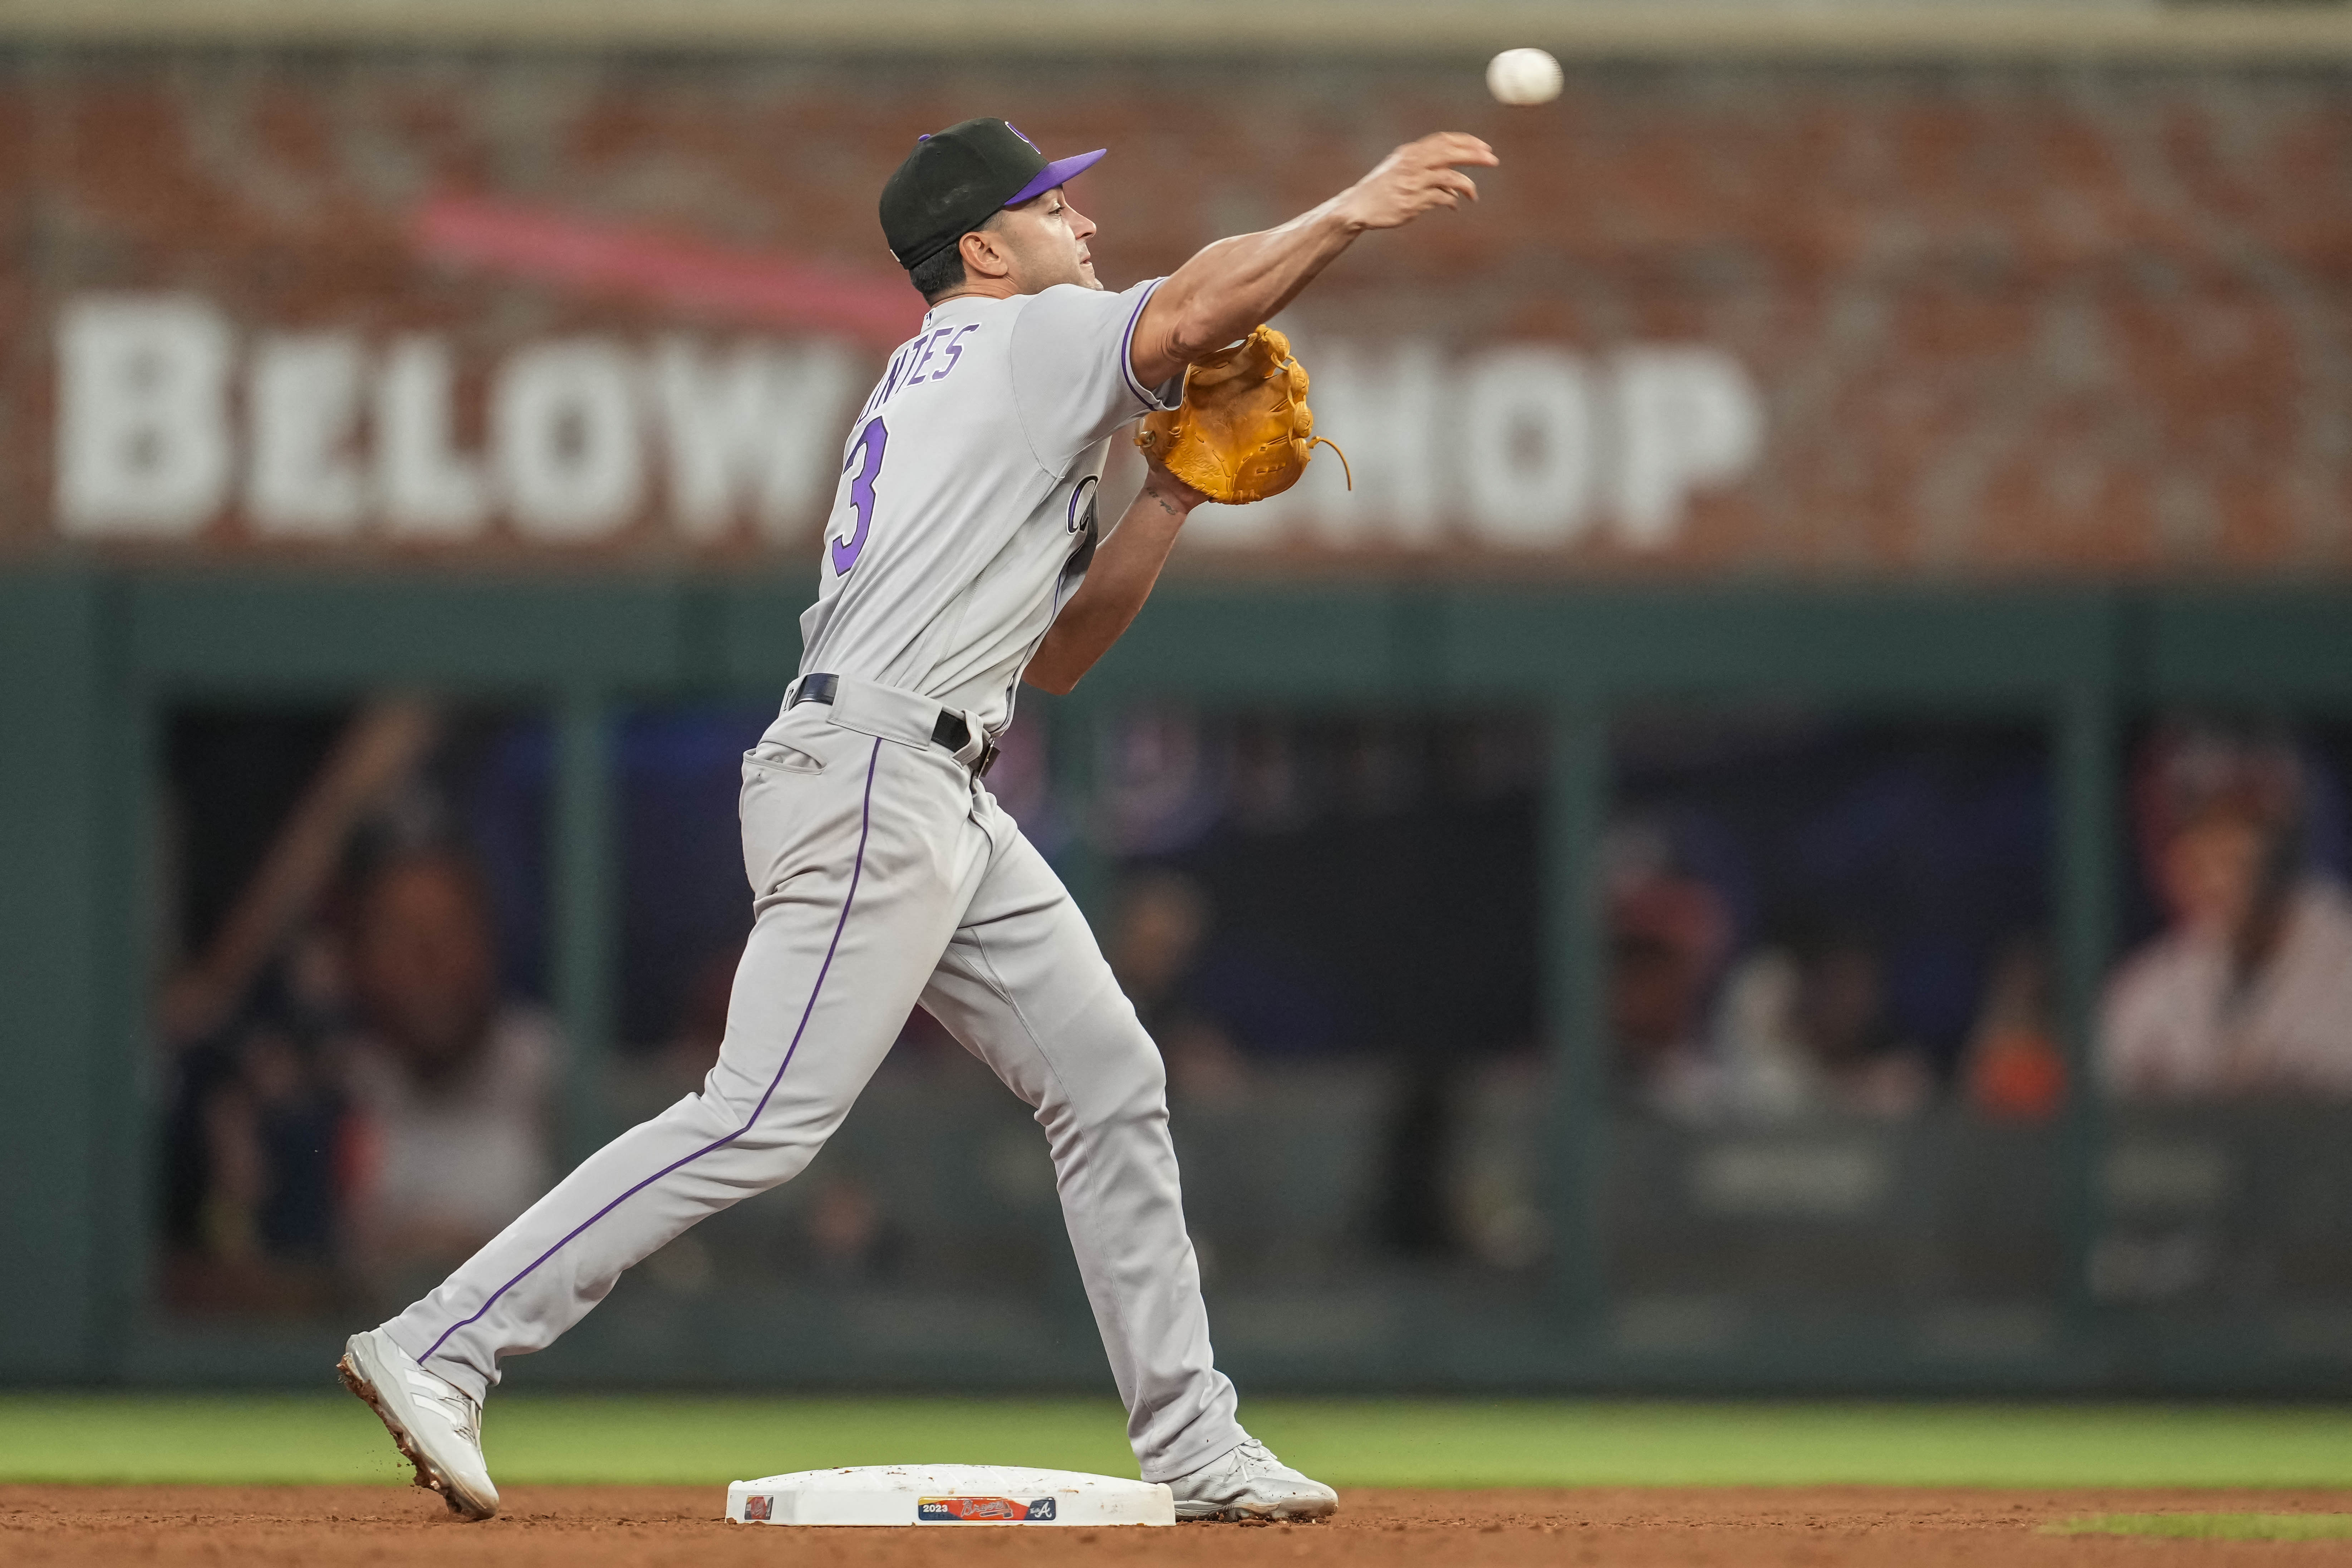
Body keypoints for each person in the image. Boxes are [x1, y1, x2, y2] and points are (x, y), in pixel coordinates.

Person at [337, 116, 1496, 1523]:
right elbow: (1205, 302)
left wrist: (1173, 494)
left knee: (1110, 1078)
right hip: (877, 770)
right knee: (761, 1113)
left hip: (932, 778)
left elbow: (1054, 660)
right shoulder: (1021, 338)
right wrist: (1353, 209)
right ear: (981, 249)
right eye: (1053, 209)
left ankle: (1195, 1444)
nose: (1082, 226)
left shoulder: (977, 378)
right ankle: (443, 1340)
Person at [337, 846, 563, 1288]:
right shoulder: (333, 1087)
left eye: (450, 932)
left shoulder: (555, 1078)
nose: (428, 959)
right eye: (400, 935)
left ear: (490, 944)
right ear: (358, 956)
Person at [2102, 722, 2352, 1099]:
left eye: (2240, 828)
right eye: (2199, 832)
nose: (2216, 862)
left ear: (2284, 843)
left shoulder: (2340, 957)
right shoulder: (2146, 992)